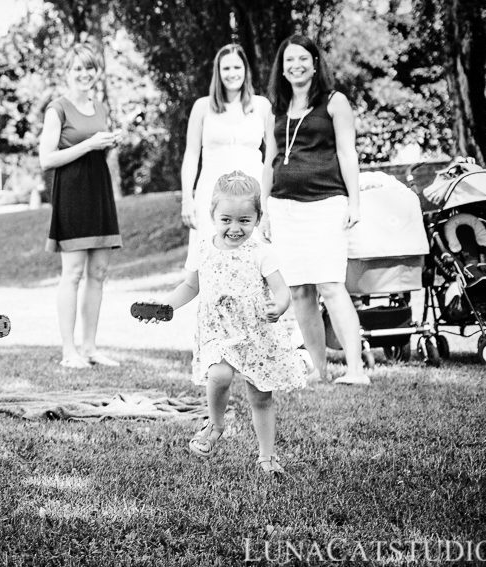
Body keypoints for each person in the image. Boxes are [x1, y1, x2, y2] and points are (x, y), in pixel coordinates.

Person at [143, 171, 306, 474]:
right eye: (227, 219)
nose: (235, 228)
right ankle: (215, 425)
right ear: (213, 215)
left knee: (261, 396)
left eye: (244, 220)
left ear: (257, 218)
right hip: (218, 329)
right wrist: (165, 306)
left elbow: (283, 292)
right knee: (219, 374)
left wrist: (278, 306)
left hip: (256, 334)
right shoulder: (203, 248)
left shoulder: (262, 252)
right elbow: (191, 286)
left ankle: (267, 457)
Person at [261, 34, 369, 386]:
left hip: (326, 204)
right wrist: (263, 208)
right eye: (289, 60)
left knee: (331, 285)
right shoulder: (276, 107)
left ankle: (356, 370)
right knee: (299, 291)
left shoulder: (335, 102)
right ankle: (318, 370)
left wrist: (354, 201)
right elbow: (270, 160)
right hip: (283, 207)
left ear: (315, 62)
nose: (296, 65)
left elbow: (347, 153)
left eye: (302, 58)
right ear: (283, 67)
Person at [39, 43, 122, 369]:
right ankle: (68, 352)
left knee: (98, 273)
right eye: (78, 69)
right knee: (72, 273)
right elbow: (47, 159)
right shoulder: (56, 109)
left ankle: (89, 348)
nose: (84, 74)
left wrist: (112, 144)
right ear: (68, 73)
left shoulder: (101, 108)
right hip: (72, 194)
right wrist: (89, 144)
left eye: (90, 68)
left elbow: (103, 155)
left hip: (99, 192)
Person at [181, 43, 271, 271]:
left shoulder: (261, 106)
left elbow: (273, 156)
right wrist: (187, 199)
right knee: (212, 262)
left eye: (237, 67)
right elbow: (191, 155)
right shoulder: (203, 107)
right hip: (211, 193)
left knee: (254, 260)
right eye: (226, 68)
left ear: (246, 70)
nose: (232, 74)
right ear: (218, 73)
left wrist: (272, 198)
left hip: (253, 192)